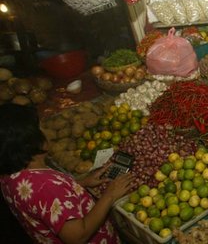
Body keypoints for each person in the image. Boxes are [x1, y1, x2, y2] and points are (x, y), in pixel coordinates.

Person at [0, 103, 136, 244]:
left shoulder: (10, 176)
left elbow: (44, 202)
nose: (47, 131)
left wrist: (79, 184)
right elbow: (78, 236)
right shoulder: (45, 186)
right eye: (42, 128)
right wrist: (110, 195)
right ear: (31, 141)